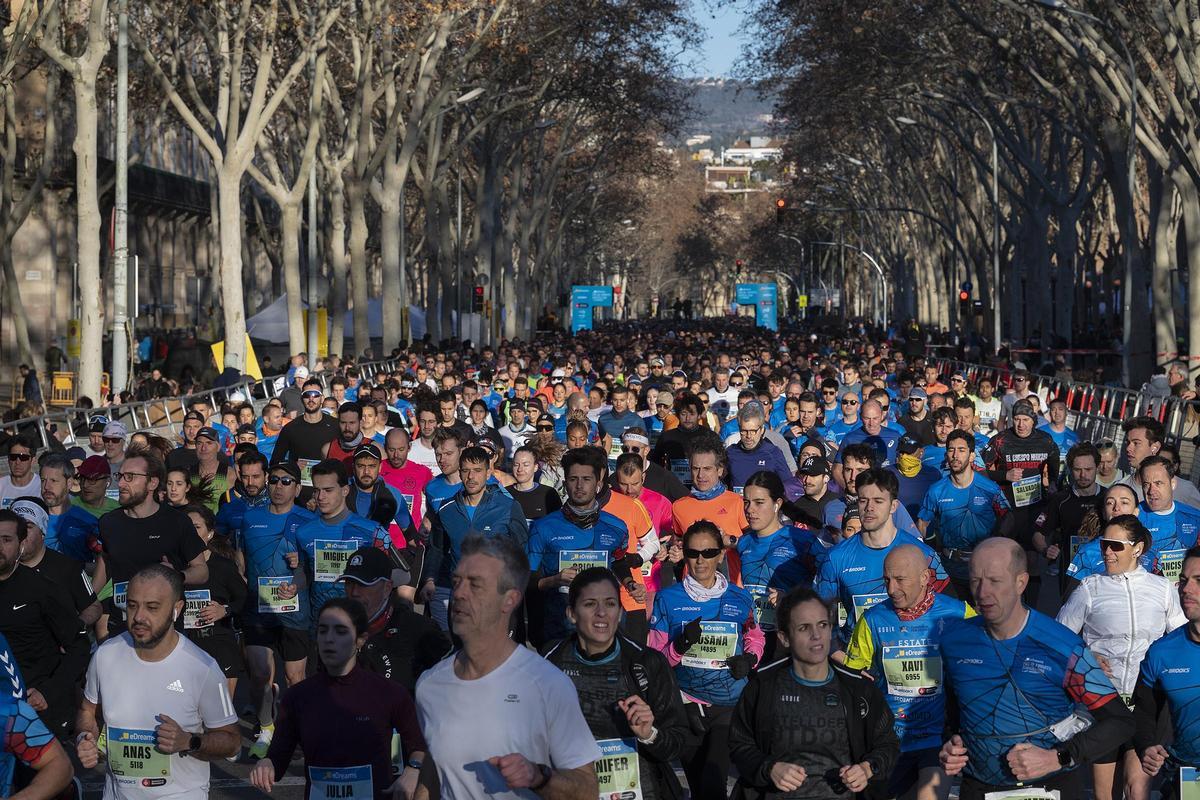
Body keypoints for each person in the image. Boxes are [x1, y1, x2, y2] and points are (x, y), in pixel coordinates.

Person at [938, 538, 1134, 799]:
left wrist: (1059, 757)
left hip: (1051, 785)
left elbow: (1120, 721)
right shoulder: (954, 641)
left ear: (1021, 582)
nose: (983, 592)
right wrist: (950, 744)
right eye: (976, 581)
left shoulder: (1062, 645)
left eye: (995, 581)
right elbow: (951, 712)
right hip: (979, 786)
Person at [416, 535, 601, 799]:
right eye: (456, 582)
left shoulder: (547, 684)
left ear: (510, 600)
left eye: (475, 585)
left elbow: (587, 790)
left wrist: (539, 777)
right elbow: (435, 769)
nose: (458, 594)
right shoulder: (430, 685)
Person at [76, 564, 241, 796]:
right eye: (132, 606)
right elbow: (87, 710)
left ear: (177, 609)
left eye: (152, 607)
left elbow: (232, 741)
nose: (139, 617)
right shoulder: (105, 656)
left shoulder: (203, 668)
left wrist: (189, 741)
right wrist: (85, 737)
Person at [1056, 515, 1185, 800]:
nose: (1107, 552)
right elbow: (1058, 639)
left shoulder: (1163, 589)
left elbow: (1180, 640)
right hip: (1104, 702)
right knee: (1106, 795)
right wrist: (1086, 658)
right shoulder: (1090, 587)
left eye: (1115, 546)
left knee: (1136, 790)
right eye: (1104, 545)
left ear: (1137, 548)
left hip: (1147, 701)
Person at [729, 588, 899, 800]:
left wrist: (867, 768)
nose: (816, 635)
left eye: (822, 625)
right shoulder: (762, 686)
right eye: (803, 628)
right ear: (784, 638)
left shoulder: (858, 689)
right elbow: (739, 744)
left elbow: (888, 744)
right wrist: (769, 768)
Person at [251, 597, 428, 800]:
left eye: (341, 631)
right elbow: (278, 758)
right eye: (323, 630)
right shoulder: (298, 697)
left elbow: (420, 746)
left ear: (360, 639)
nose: (329, 639)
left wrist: (413, 769)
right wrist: (267, 764)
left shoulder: (389, 693)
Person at [543, 568, 691, 800]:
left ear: (621, 612)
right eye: (590, 604)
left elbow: (679, 741)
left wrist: (649, 734)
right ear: (571, 613)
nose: (602, 613)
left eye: (610, 604)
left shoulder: (647, 663)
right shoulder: (547, 663)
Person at [844, 545, 974, 800]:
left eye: (900, 580)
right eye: (887, 580)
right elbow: (851, 676)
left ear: (925, 578)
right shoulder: (873, 619)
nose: (891, 589)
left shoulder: (959, 614)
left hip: (937, 737)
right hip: (888, 740)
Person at [648, 520, 763, 800]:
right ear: (684, 554)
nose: (700, 561)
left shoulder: (740, 598)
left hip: (728, 706)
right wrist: (679, 646)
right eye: (693, 553)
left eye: (709, 553)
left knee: (713, 783)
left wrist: (749, 660)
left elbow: (756, 638)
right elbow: (654, 661)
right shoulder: (668, 599)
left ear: (721, 555)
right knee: (700, 787)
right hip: (685, 705)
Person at [237, 460, 313, 760]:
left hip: (295, 610)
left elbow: (312, 567)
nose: (279, 487)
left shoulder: (307, 520)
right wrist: (242, 576)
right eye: (275, 480)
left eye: (286, 482)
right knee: (258, 674)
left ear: (297, 487)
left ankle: (299, 726)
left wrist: (299, 573)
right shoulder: (250, 517)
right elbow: (241, 553)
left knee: (296, 677)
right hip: (259, 608)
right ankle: (267, 727)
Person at [818, 468, 947, 640]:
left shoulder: (923, 554)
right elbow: (820, 619)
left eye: (878, 501)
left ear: (893, 506)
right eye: (863, 501)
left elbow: (947, 613)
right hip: (857, 661)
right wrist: (840, 656)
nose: (869, 508)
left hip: (912, 656)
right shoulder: (836, 557)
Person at [93, 450, 209, 636]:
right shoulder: (109, 522)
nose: (121, 483)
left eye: (130, 477)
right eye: (120, 476)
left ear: (152, 483)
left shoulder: (176, 521)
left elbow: (201, 570)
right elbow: (105, 561)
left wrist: (177, 575)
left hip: (164, 629)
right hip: (122, 625)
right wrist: (88, 599)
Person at [527, 447, 636, 644]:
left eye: (586, 479)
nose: (579, 486)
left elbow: (619, 562)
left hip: (606, 628)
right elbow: (528, 580)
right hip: (559, 628)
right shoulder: (542, 527)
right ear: (565, 483)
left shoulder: (617, 527)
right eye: (573, 479)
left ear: (598, 483)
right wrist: (555, 580)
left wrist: (630, 583)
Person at [0, 509, 89, 739]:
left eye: (6, 540)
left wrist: (47, 693)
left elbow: (79, 647)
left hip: (36, 714)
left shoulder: (42, 589)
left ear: (21, 545)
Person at [422, 445, 529, 632]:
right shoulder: (446, 510)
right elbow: (437, 548)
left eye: (477, 470)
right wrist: (429, 579)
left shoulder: (508, 507)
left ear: (488, 473)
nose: (471, 477)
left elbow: (523, 552)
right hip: (461, 598)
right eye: (466, 471)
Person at [289, 459, 395, 632]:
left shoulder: (373, 531)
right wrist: (294, 585)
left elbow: (398, 575)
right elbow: (303, 571)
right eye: (317, 490)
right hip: (321, 626)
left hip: (363, 626)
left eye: (328, 490)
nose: (320, 497)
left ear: (345, 490)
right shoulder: (303, 532)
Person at [738, 471, 829, 663]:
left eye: (759, 502)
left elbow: (827, 587)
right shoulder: (743, 542)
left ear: (777, 504)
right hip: (751, 638)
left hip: (790, 639)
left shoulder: (802, 540)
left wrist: (790, 600)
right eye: (746, 502)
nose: (750, 509)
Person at [1135, 546, 1200, 800]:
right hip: (1188, 778)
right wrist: (1147, 746)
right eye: (1183, 581)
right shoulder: (1161, 652)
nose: (1186, 590)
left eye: (1198, 581)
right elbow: (1143, 712)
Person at [339, 547, 451, 695]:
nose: (354, 592)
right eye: (349, 583)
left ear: (387, 587)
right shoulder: (335, 630)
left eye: (363, 584)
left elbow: (450, 687)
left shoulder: (420, 629)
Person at [983, 399, 1060, 604]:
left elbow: (1054, 465)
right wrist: (1004, 475)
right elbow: (981, 471)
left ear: (1033, 420)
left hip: (1034, 506)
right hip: (1007, 509)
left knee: (1033, 560)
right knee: (1005, 558)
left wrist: (1052, 483)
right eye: (1016, 419)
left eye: (1025, 419)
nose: (1021, 424)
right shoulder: (1000, 440)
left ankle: (1031, 609)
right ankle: (1004, 602)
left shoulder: (1045, 440)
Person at [918, 430, 1009, 598]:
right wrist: (925, 556)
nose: (955, 455)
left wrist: (998, 547)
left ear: (972, 455)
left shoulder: (990, 488)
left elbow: (1009, 518)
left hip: (983, 567)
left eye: (961, 450)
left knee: (982, 620)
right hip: (948, 568)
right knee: (955, 620)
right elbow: (922, 524)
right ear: (946, 455)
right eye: (951, 450)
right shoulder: (936, 491)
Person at [181, 505, 246, 699]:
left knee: (221, 715)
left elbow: (244, 599)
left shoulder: (223, 566)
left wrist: (224, 610)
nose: (190, 533)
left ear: (209, 534)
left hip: (219, 642)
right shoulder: (173, 566)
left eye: (196, 527)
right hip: (184, 643)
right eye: (186, 528)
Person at [11, 498, 99, 624]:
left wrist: (75, 629)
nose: (20, 533)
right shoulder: (4, 568)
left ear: (42, 531)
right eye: (16, 528)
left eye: (28, 527)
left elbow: (93, 607)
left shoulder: (67, 567)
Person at [1033, 442, 1105, 595]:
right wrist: (1046, 549)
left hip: (1104, 573)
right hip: (1071, 574)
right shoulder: (1060, 500)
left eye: (1088, 469)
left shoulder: (1109, 498)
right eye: (1078, 470)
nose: (1083, 475)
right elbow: (1038, 533)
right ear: (1070, 470)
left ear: (1097, 468)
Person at [1136, 454, 1200, 582]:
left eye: (1158, 483)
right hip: (1145, 592)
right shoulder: (1134, 517)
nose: (1151, 491)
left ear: (1173, 484)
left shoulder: (1194, 517)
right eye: (1146, 484)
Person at [725, 401, 799, 496]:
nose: (748, 436)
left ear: (761, 430)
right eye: (744, 431)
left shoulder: (773, 452)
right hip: (738, 509)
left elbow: (789, 486)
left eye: (753, 431)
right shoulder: (731, 452)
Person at [39, 454, 100, 565]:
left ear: (69, 483)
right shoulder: (32, 521)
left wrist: (75, 569)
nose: (46, 486)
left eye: (53, 481)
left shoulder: (88, 521)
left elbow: (102, 565)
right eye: (43, 480)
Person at [270, 377, 338, 467]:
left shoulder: (335, 425)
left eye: (315, 395)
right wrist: (293, 466)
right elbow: (275, 462)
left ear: (322, 399)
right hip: (300, 480)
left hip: (328, 478)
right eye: (307, 395)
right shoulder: (290, 429)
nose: (311, 399)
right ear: (302, 399)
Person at [380, 427, 434, 532]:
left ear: (409, 447)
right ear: (385, 448)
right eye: (391, 450)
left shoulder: (422, 472)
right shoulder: (376, 469)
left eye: (401, 449)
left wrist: (427, 519)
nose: (396, 455)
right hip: (381, 542)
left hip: (411, 542)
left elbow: (437, 498)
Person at [0, 439, 39, 509]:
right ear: (8, 460)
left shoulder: (42, 486)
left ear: (33, 460)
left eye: (23, 457)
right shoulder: (1, 485)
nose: (17, 462)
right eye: (13, 457)